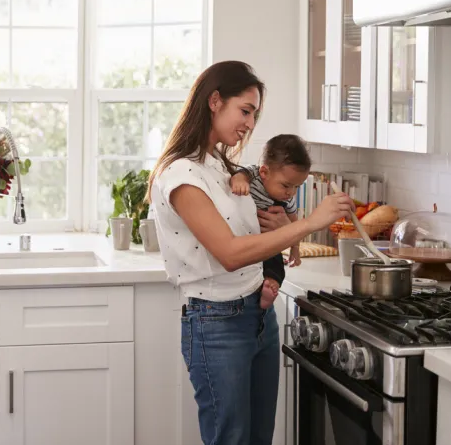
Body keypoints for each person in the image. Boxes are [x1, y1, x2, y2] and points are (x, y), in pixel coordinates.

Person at [148, 60, 355, 445]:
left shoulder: (221, 165)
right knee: (232, 439)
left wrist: (276, 229)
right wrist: (307, 224)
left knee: (259, 437)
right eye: (245, 110)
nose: (249, 123)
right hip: (216, 322)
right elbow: (228, 252)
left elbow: (243, 231)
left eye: (254, 114)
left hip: (257, 314)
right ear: (214, 101)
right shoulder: (181, 175)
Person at [230, 134, 311, 309]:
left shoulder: (286, 199)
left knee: (275, 263)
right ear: (264, 172)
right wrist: (239, 180)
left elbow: (295, 224)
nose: (291, 193)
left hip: (268, 243)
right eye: (286, 185)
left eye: (297, 187)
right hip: (246, 242)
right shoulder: (253, 175)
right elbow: (241, 173)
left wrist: (295, 249)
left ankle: (270, 285)